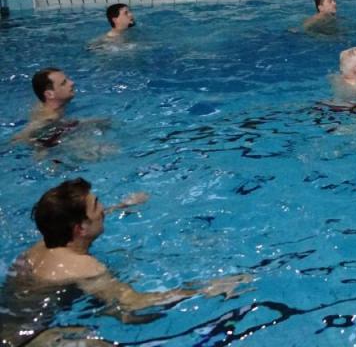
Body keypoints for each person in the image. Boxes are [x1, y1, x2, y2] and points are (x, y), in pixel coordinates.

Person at [1, 178, 249, 346]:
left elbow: (78, 223)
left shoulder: (42, 246)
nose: (103, 209)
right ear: (80, 228)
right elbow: (135, 306)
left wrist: (123, 206)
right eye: (97, 206)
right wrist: (205, 290)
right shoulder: (84, 267)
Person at [13, 68, 79, 146]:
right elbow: (23, 135)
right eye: (63, 83)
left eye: (67, 79)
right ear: (49, 94)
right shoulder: (50, 117)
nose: (71, 83)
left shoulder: (46, 104)